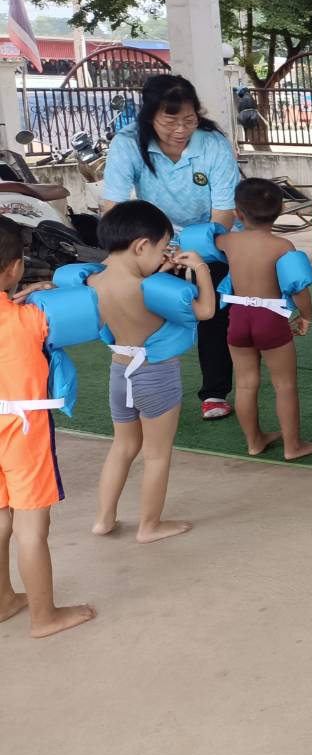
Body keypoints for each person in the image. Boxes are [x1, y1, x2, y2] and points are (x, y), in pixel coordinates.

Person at [101, 74, 240, 421]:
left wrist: (192, 253)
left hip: (209, 240)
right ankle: (136, 388)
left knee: (213, 312)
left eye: (189, 120)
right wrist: (144, 255)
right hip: (153, 243)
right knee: (138, 307)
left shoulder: (213, 144)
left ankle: (214, 392)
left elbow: (224, 212)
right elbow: (115, 208)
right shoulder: (128, 143)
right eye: (170, 121)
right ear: (150, 116)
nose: (181, 130)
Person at [85, 202, 216, 542]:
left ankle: (103, 519)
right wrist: (200, 268)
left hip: (119, 371)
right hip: (155, 374)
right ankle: (149, 526)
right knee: (156, 454)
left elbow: (133, 280)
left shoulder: (93, 281)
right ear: (142, 245)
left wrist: (159, 270)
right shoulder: (149, 290)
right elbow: (205, 311)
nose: (162, 257)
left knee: (122, 446)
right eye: (161, 249)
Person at [0, 217, 96, 638]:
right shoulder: (32, 319)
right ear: (13, 268)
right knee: (32, 528)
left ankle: (4, 600)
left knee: (0, 518)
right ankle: (44, 617)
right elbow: (93, 303)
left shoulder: (24, 314)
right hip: (24, 429)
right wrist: (48, 292)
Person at [214, 179, 312, 461]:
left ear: (238, 212)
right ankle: (292, 446)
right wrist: (306, 316)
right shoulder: (282, 246)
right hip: (270, 318)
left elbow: (205, 239)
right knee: (284, 385)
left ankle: (254, 442)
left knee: (245, 384)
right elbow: (298, 287)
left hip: (238, 315)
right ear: (281, 209)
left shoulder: (227, 241)